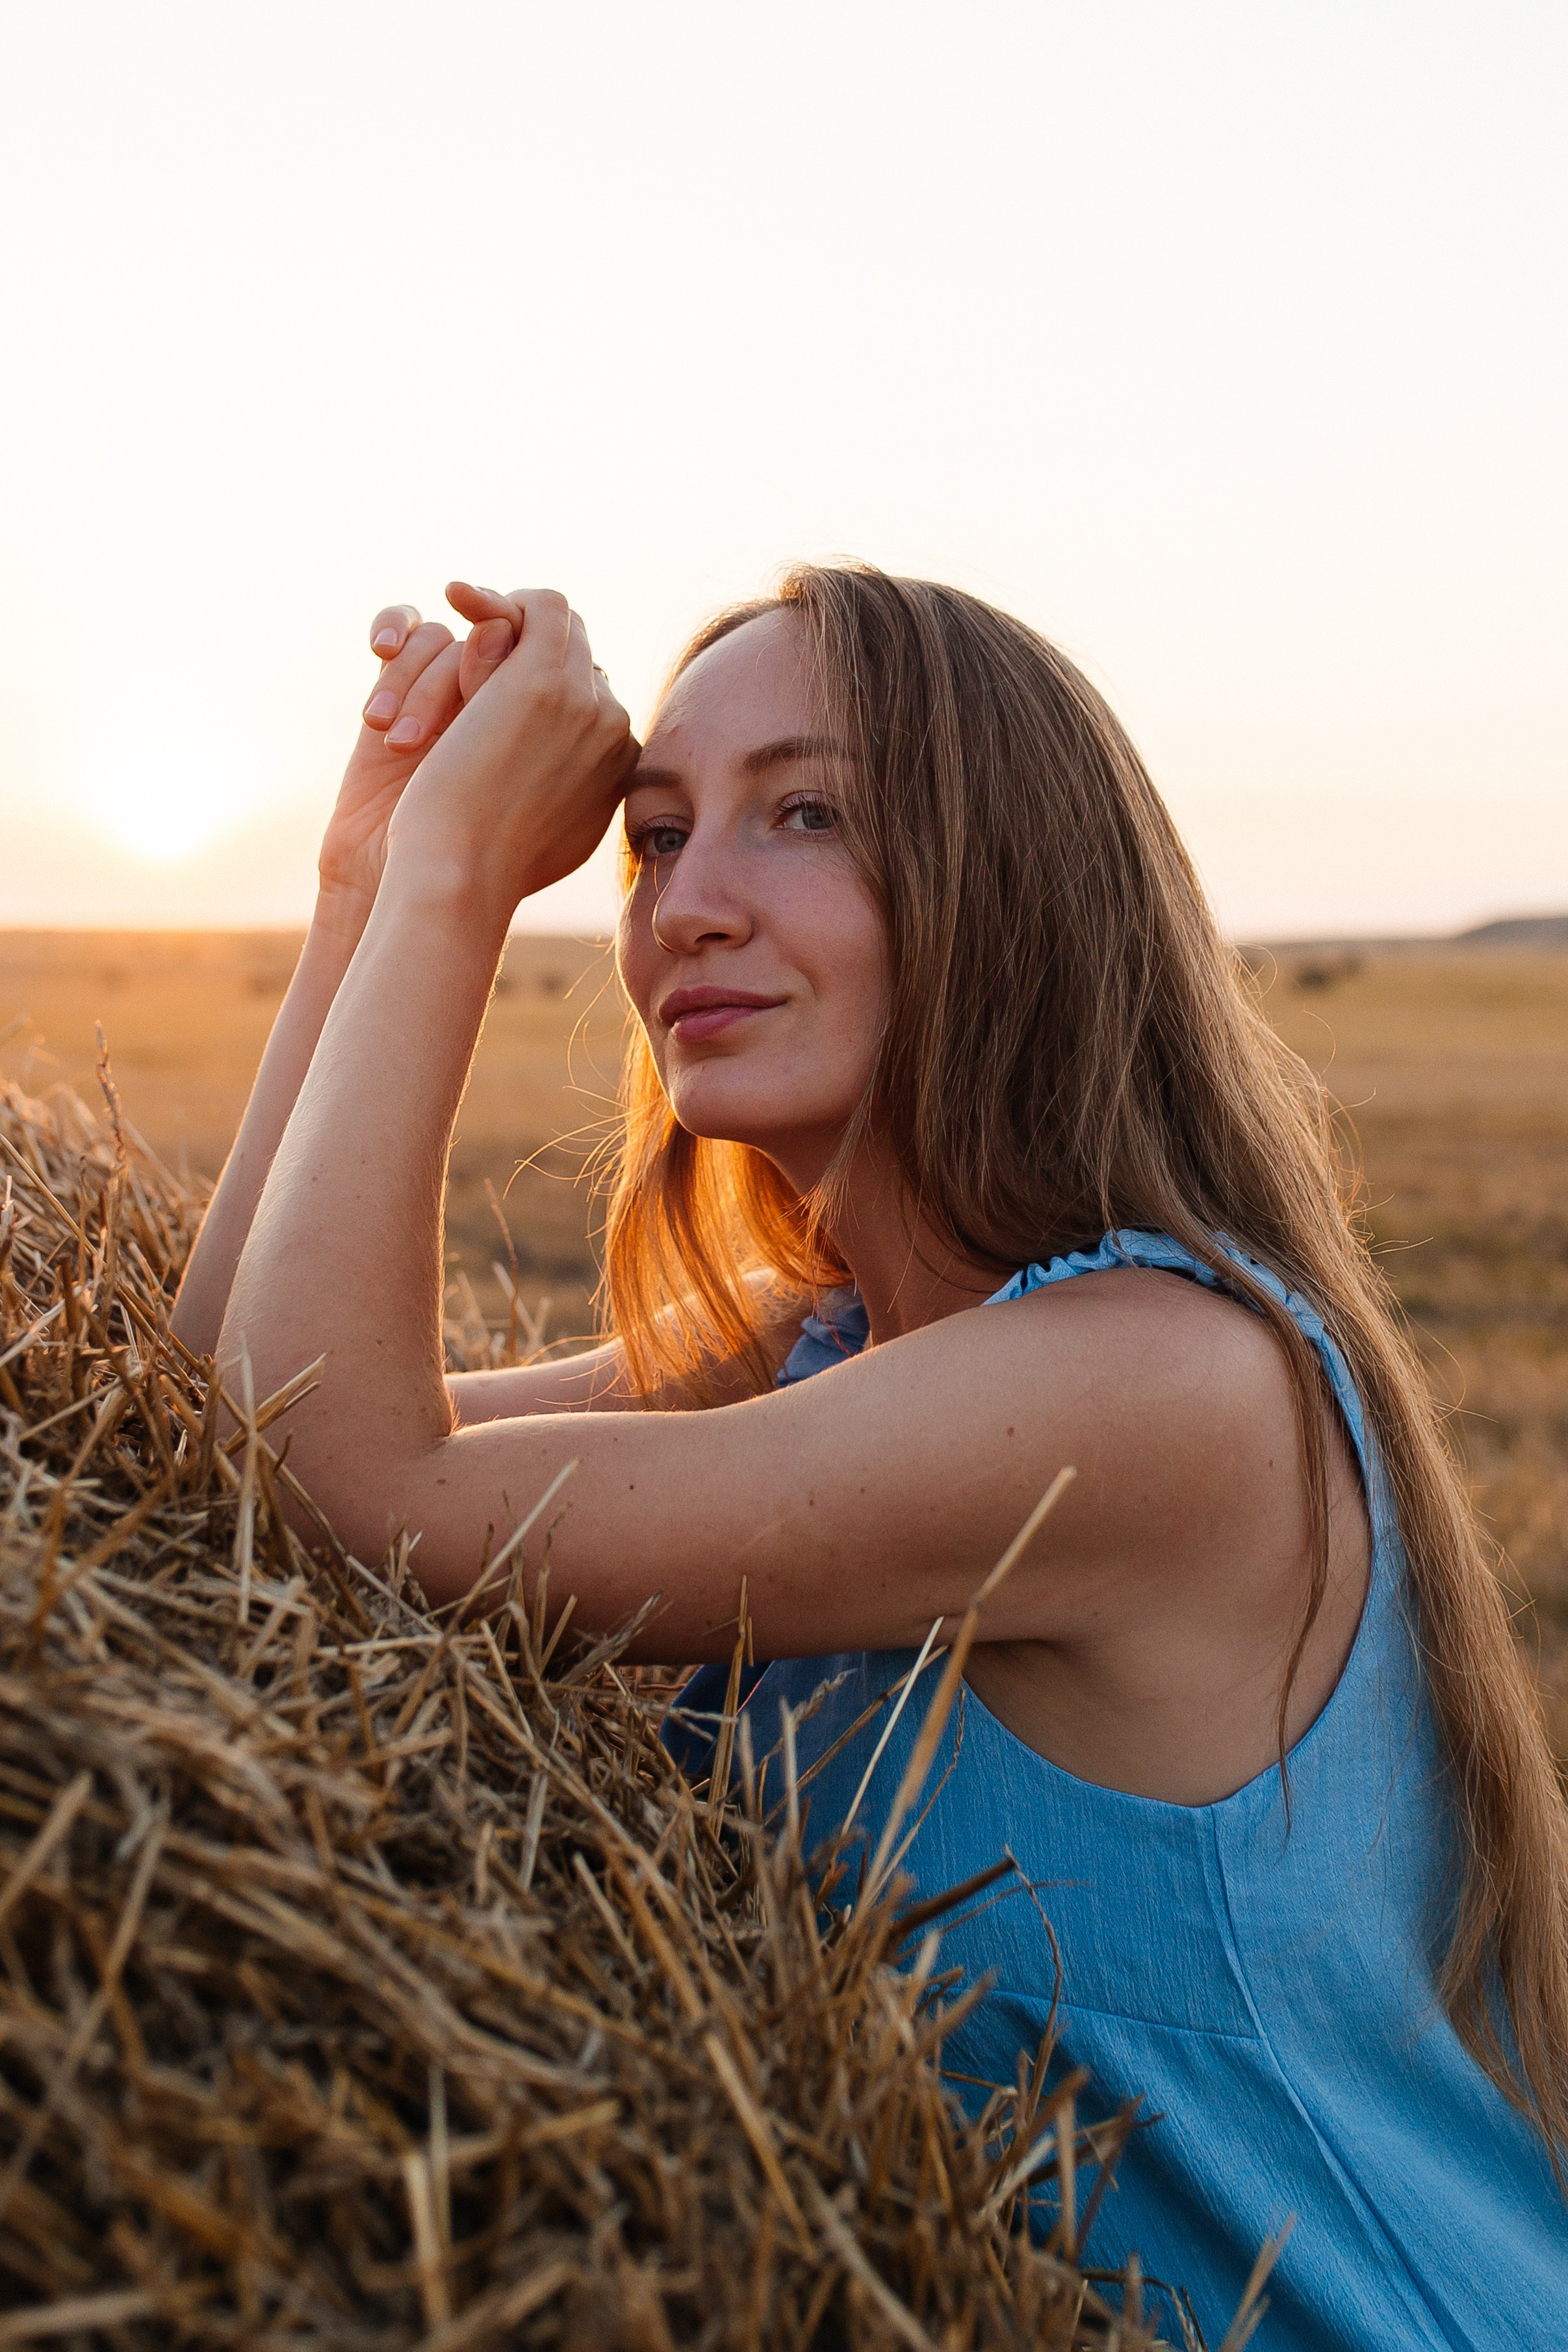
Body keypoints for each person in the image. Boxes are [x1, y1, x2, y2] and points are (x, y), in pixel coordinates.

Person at [174, 564, 1568, 2348]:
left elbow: (355, 1486)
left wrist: (456, 888)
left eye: (804, 812)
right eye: (657, 836)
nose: (688, 904)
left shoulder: (1161, 1390)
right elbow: (237, 1436)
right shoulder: (820, 1341)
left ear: (1011, 883)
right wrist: (366, 885)